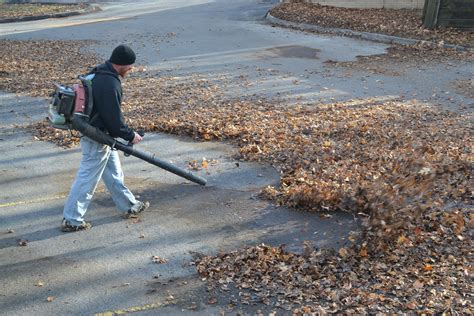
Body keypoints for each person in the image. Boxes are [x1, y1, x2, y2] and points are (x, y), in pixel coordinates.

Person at [61, 44, 149, 232]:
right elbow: (114, 120)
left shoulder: (99, 72)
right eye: (130, 66)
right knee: (87, 178)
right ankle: (72, 219)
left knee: (114, 173)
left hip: (99, 135)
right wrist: (130, 135)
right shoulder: (110, 83)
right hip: (97, 138)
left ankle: (129, 205)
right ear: (122, 64)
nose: (131, 69)